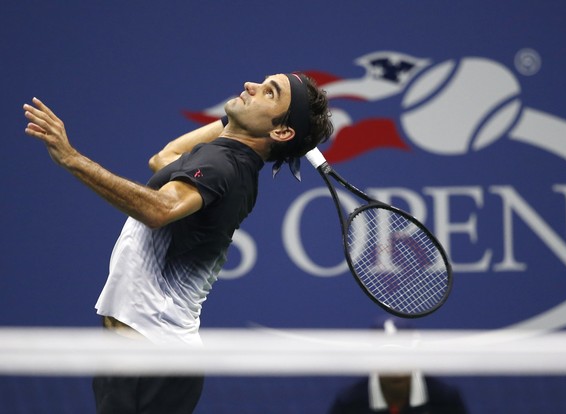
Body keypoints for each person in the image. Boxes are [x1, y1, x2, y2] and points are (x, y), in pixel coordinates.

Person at [23, 72, 333, 414]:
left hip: (153, 359)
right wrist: (236, 120)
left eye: (268, 92)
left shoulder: (223, 165)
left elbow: (160, 209)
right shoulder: (228, 159)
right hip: (138, 354)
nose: (251, 86)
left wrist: (72, 159)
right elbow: (164, 158)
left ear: (281, 131)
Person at [328, 319, 468, 414]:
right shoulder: (350, 402)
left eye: (402, 354)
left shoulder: (445, 398)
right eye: (386, 356)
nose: (395, 368)